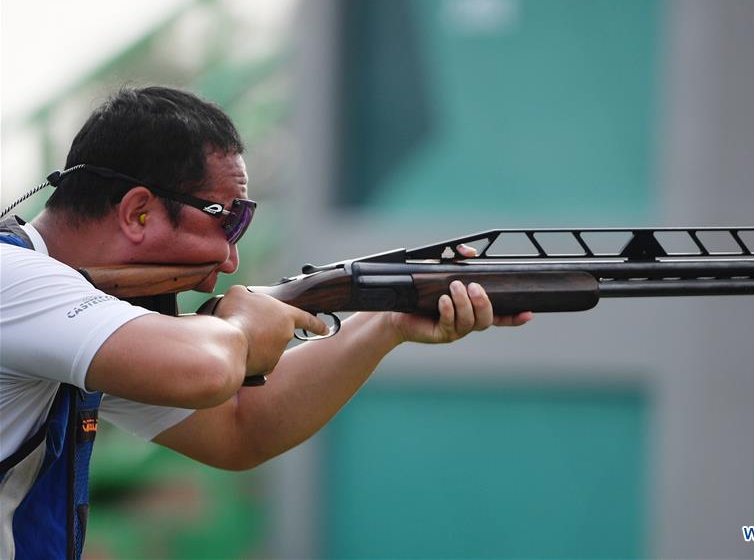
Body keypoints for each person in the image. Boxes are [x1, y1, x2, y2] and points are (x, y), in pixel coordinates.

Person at [0, 86, 532, 559]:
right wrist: (241, 322)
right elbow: (206, 371)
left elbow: (240, 430)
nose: (229, 261)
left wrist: (388, 320)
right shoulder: (14, 277)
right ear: (139, 212)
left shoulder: (69, 308)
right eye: (228, 219)